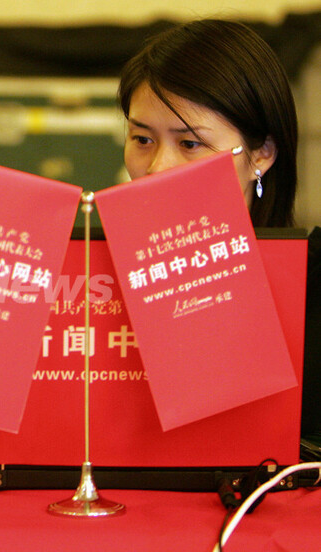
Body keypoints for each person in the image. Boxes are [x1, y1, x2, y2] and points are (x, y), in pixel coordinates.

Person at [117, 19, 321, 444]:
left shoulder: (312, 283)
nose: (158, 168)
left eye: (189, 144)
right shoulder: (91, 276)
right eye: (142, 139)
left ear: (261, 154)